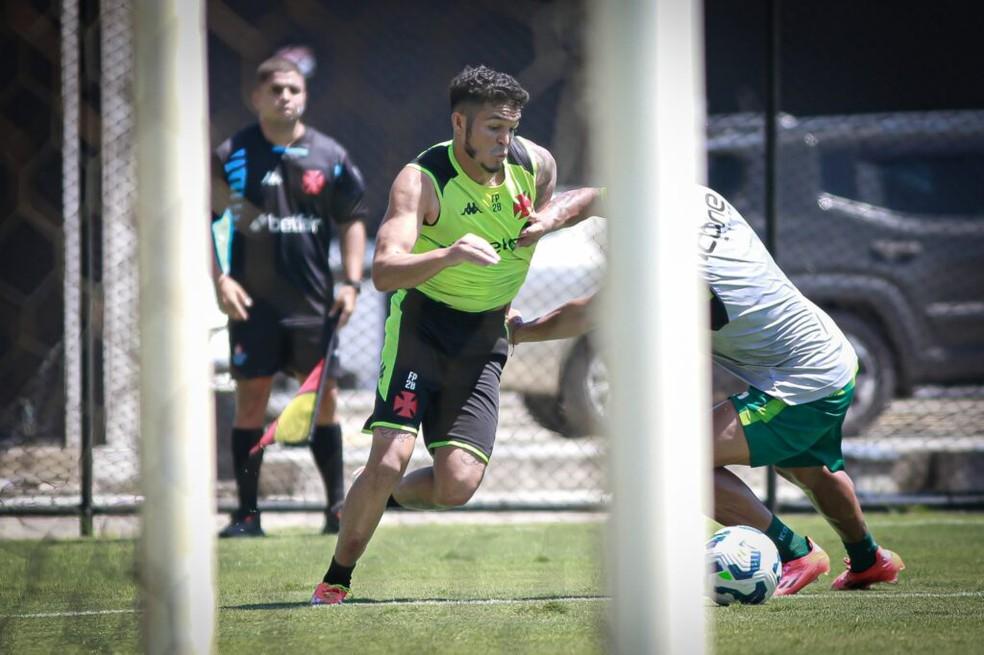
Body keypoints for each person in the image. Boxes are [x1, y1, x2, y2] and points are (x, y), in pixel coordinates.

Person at [507, 185, 905, 595]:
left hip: (803, 379)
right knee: (809, 469)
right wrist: (549, 219)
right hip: (827, 354)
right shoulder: (691, 196)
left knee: (667, 461)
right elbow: (594, 196)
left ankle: (794, 553)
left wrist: (520, 331)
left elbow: (584, 314)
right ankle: (869, 559)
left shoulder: (670, 268)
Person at [310, 65, 603, 605]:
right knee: (392, 453)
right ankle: (337, 578)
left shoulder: (535, 166)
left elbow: (558, 212)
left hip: (485, 336)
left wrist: (548, 221)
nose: (504, 140)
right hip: (422, 324)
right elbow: (383, 270)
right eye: (492, 127)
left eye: (511, 127)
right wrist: (447, 253)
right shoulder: (420, 179)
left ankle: (378, 495)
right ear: (459, 124)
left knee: (458, 485)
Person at [210, 52, 368, 537]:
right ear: (256, 97)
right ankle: (247, 515)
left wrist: (351, 282)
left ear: (305, 96)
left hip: (312, 304)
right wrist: (221, 279)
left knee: (324, 401)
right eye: (275, 89)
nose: (284, 97)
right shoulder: (230, 154)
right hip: (252, 303)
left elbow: (353, 219)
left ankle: (337, 510)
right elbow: (214, 221)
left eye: (293, 89)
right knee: (252, 400)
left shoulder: (330, 156)